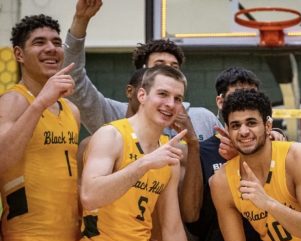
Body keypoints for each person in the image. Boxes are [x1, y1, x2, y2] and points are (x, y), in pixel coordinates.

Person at [67, 0, 202, 226]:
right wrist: (80, 23)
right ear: (140, 86)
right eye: (159, 65)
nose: (167, 70)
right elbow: (76, 82)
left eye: (174, 67)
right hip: (117, 238)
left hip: (179, 233)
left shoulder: (200, 117)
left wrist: (273, 133)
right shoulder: (113, 118)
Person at [210, 89, 301, 241]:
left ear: (267, 126)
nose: (243, 131)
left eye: (251, 123)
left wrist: (268, 203)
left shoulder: (298, 156)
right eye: (235, 125)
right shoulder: (222, 181)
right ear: (227, 130)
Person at [78, 65, 190, 241]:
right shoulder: (111, 135)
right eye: (163, 94)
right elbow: (89, 196)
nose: (170, 104)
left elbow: (172, 228)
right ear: (141, 95)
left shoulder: (168, 150)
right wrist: (145, 163)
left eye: (178, 98)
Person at [0, 14, 80, 241]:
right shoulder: (12, 101)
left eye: (56, 42)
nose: (51, 49)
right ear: (19, 54)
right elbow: (2, 159)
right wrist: (41, 102)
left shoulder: (71, 110)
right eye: (39, 42)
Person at [187, 67, 265, 241]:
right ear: (220, 102)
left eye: (252, 96)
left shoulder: (274, 147)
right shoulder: (202, 151)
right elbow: (193, 221)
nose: (246, 102)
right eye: (238, 95)